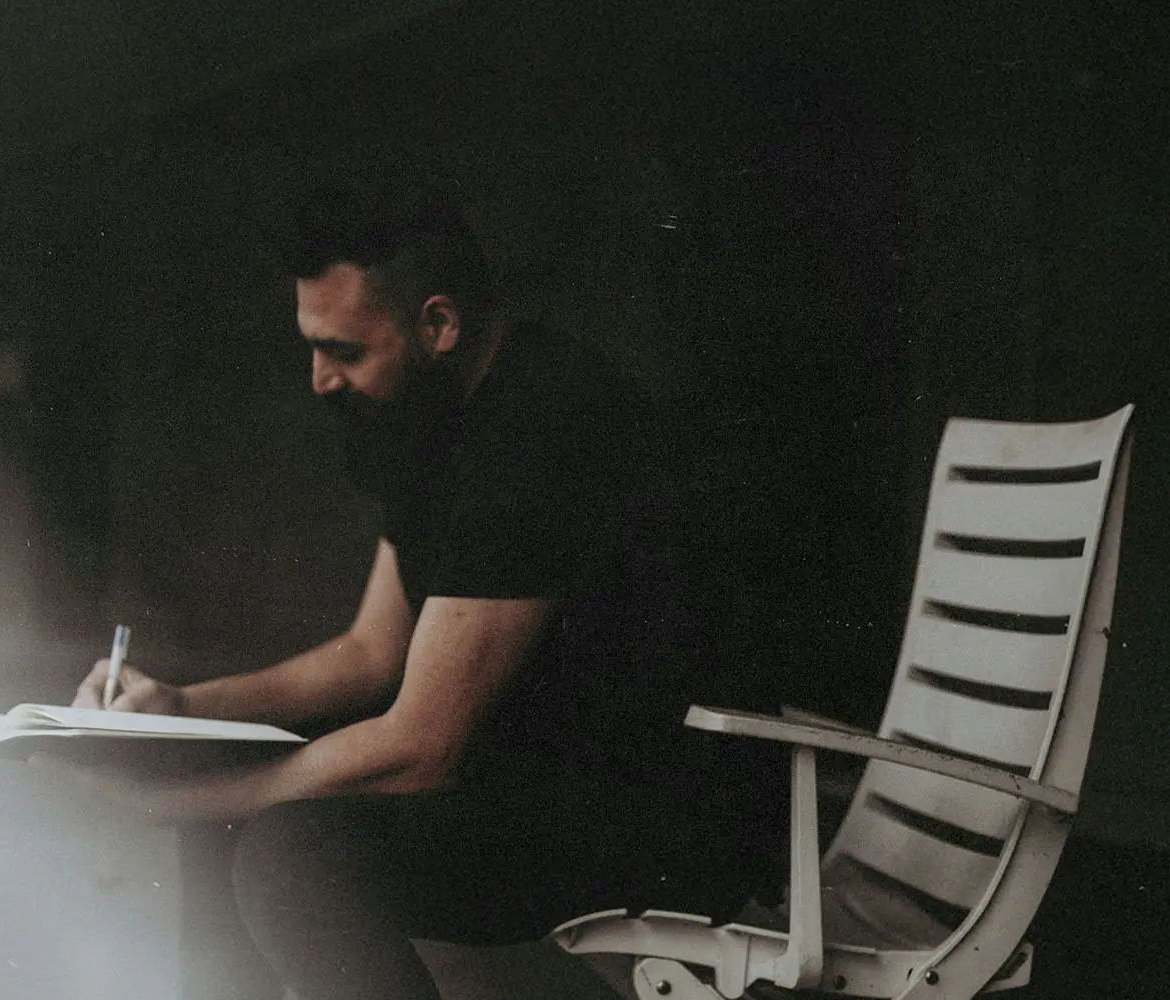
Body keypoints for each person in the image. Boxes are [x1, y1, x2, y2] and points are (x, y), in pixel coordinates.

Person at [61, 171, 786, 1000]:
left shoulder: (544, 430)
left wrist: (187, 803)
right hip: (555, 778)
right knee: (244, 786)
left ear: (437, 323)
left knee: (294, 855)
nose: (319, 380)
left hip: (671, 818)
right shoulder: (432, 420)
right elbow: (370, 652)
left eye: (344, 350)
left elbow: (421, 750)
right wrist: (185, 711)